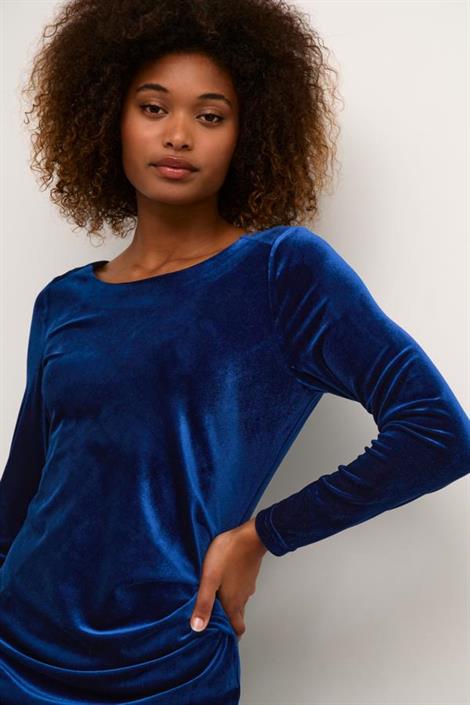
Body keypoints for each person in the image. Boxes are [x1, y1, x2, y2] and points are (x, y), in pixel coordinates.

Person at [1, 0, 469, 703]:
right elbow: (21, 494)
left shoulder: (283, 271)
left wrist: (261, 535)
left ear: (246, 135)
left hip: (167, 662)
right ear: (109, 118)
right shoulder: (63, 301)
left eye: (211, 116)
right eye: (153, 107)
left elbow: (438, 434)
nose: (178, 135)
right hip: (15, 650)